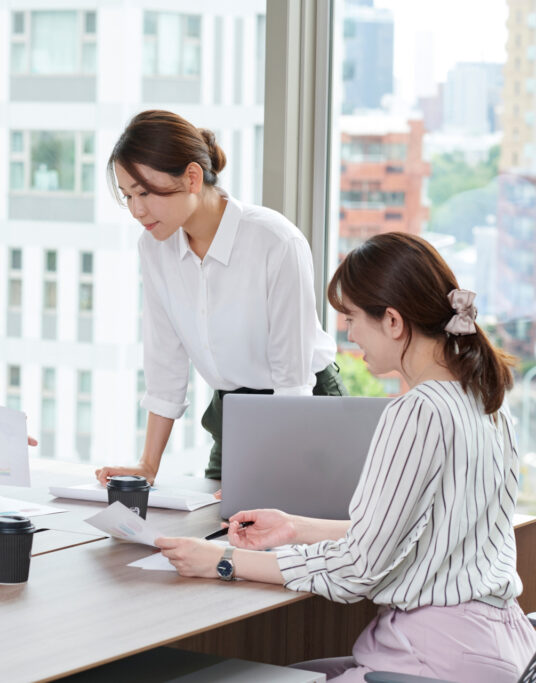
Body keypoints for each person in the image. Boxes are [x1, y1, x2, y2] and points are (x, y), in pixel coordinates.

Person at [154, 231, 536, 682]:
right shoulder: (484, 400)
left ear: (392, 321)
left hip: (435, 656)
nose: (349, 334)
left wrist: (220, 561)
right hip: (495, 647)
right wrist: (296, 527)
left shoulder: (418, 410)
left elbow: (359, 569)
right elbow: (419, 532)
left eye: (352, 318)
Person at [96, 110, 344, 484]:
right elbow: (166, 363)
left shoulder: (275, 241)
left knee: (287, 532)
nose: (137, 210)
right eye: (128, 195)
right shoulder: (155, 248)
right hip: (233, 411)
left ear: (192, 177)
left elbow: (292, 379)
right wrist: (148, 465)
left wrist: (278, 479)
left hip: (304, 408)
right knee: (215, 529)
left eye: (145, 192)